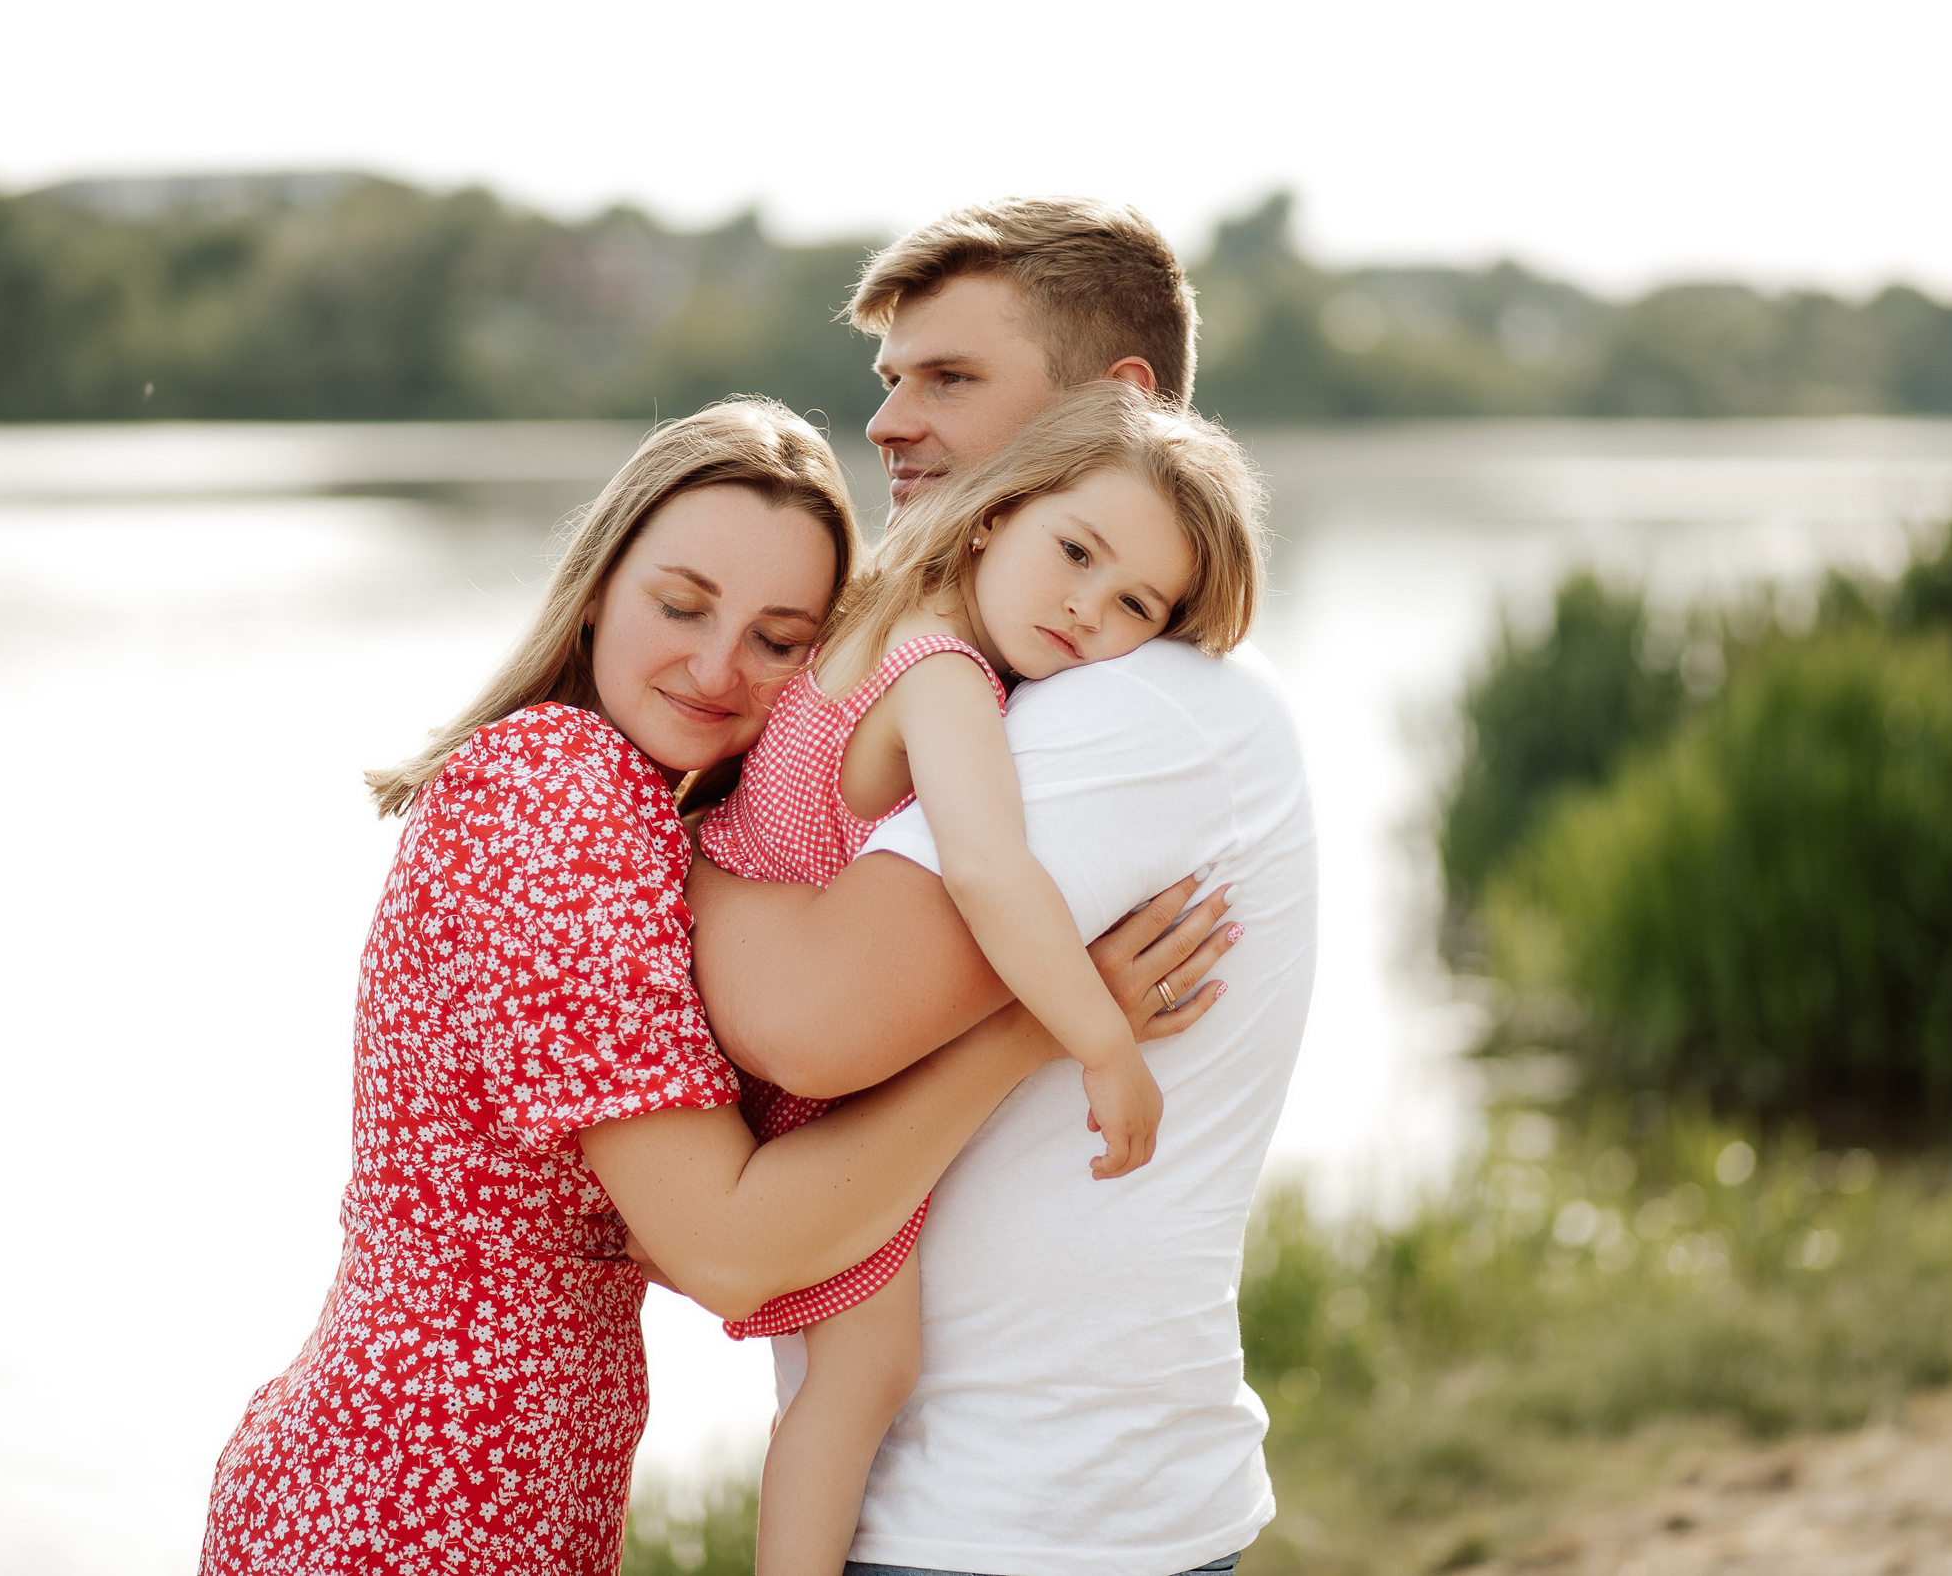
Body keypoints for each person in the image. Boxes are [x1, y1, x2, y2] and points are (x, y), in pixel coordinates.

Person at [196, 397, 1238, 1576]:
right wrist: (1037, 1032)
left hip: (476, 1493)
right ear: (598, 584)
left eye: (780, 639)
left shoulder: (645, 813)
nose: (716, 666)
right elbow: (730, 1249)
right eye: (682, 606)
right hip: (397, 1505)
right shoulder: (558, 796)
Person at [691, 199, 1318, 1576]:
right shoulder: (959, 657)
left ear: (1113, 404)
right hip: (999, 1503)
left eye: (952, 377)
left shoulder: (1123, 708)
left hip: (1031, 1519)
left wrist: (673, 869)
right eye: (890, 379)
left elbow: (805, 1020)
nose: (890, 423)